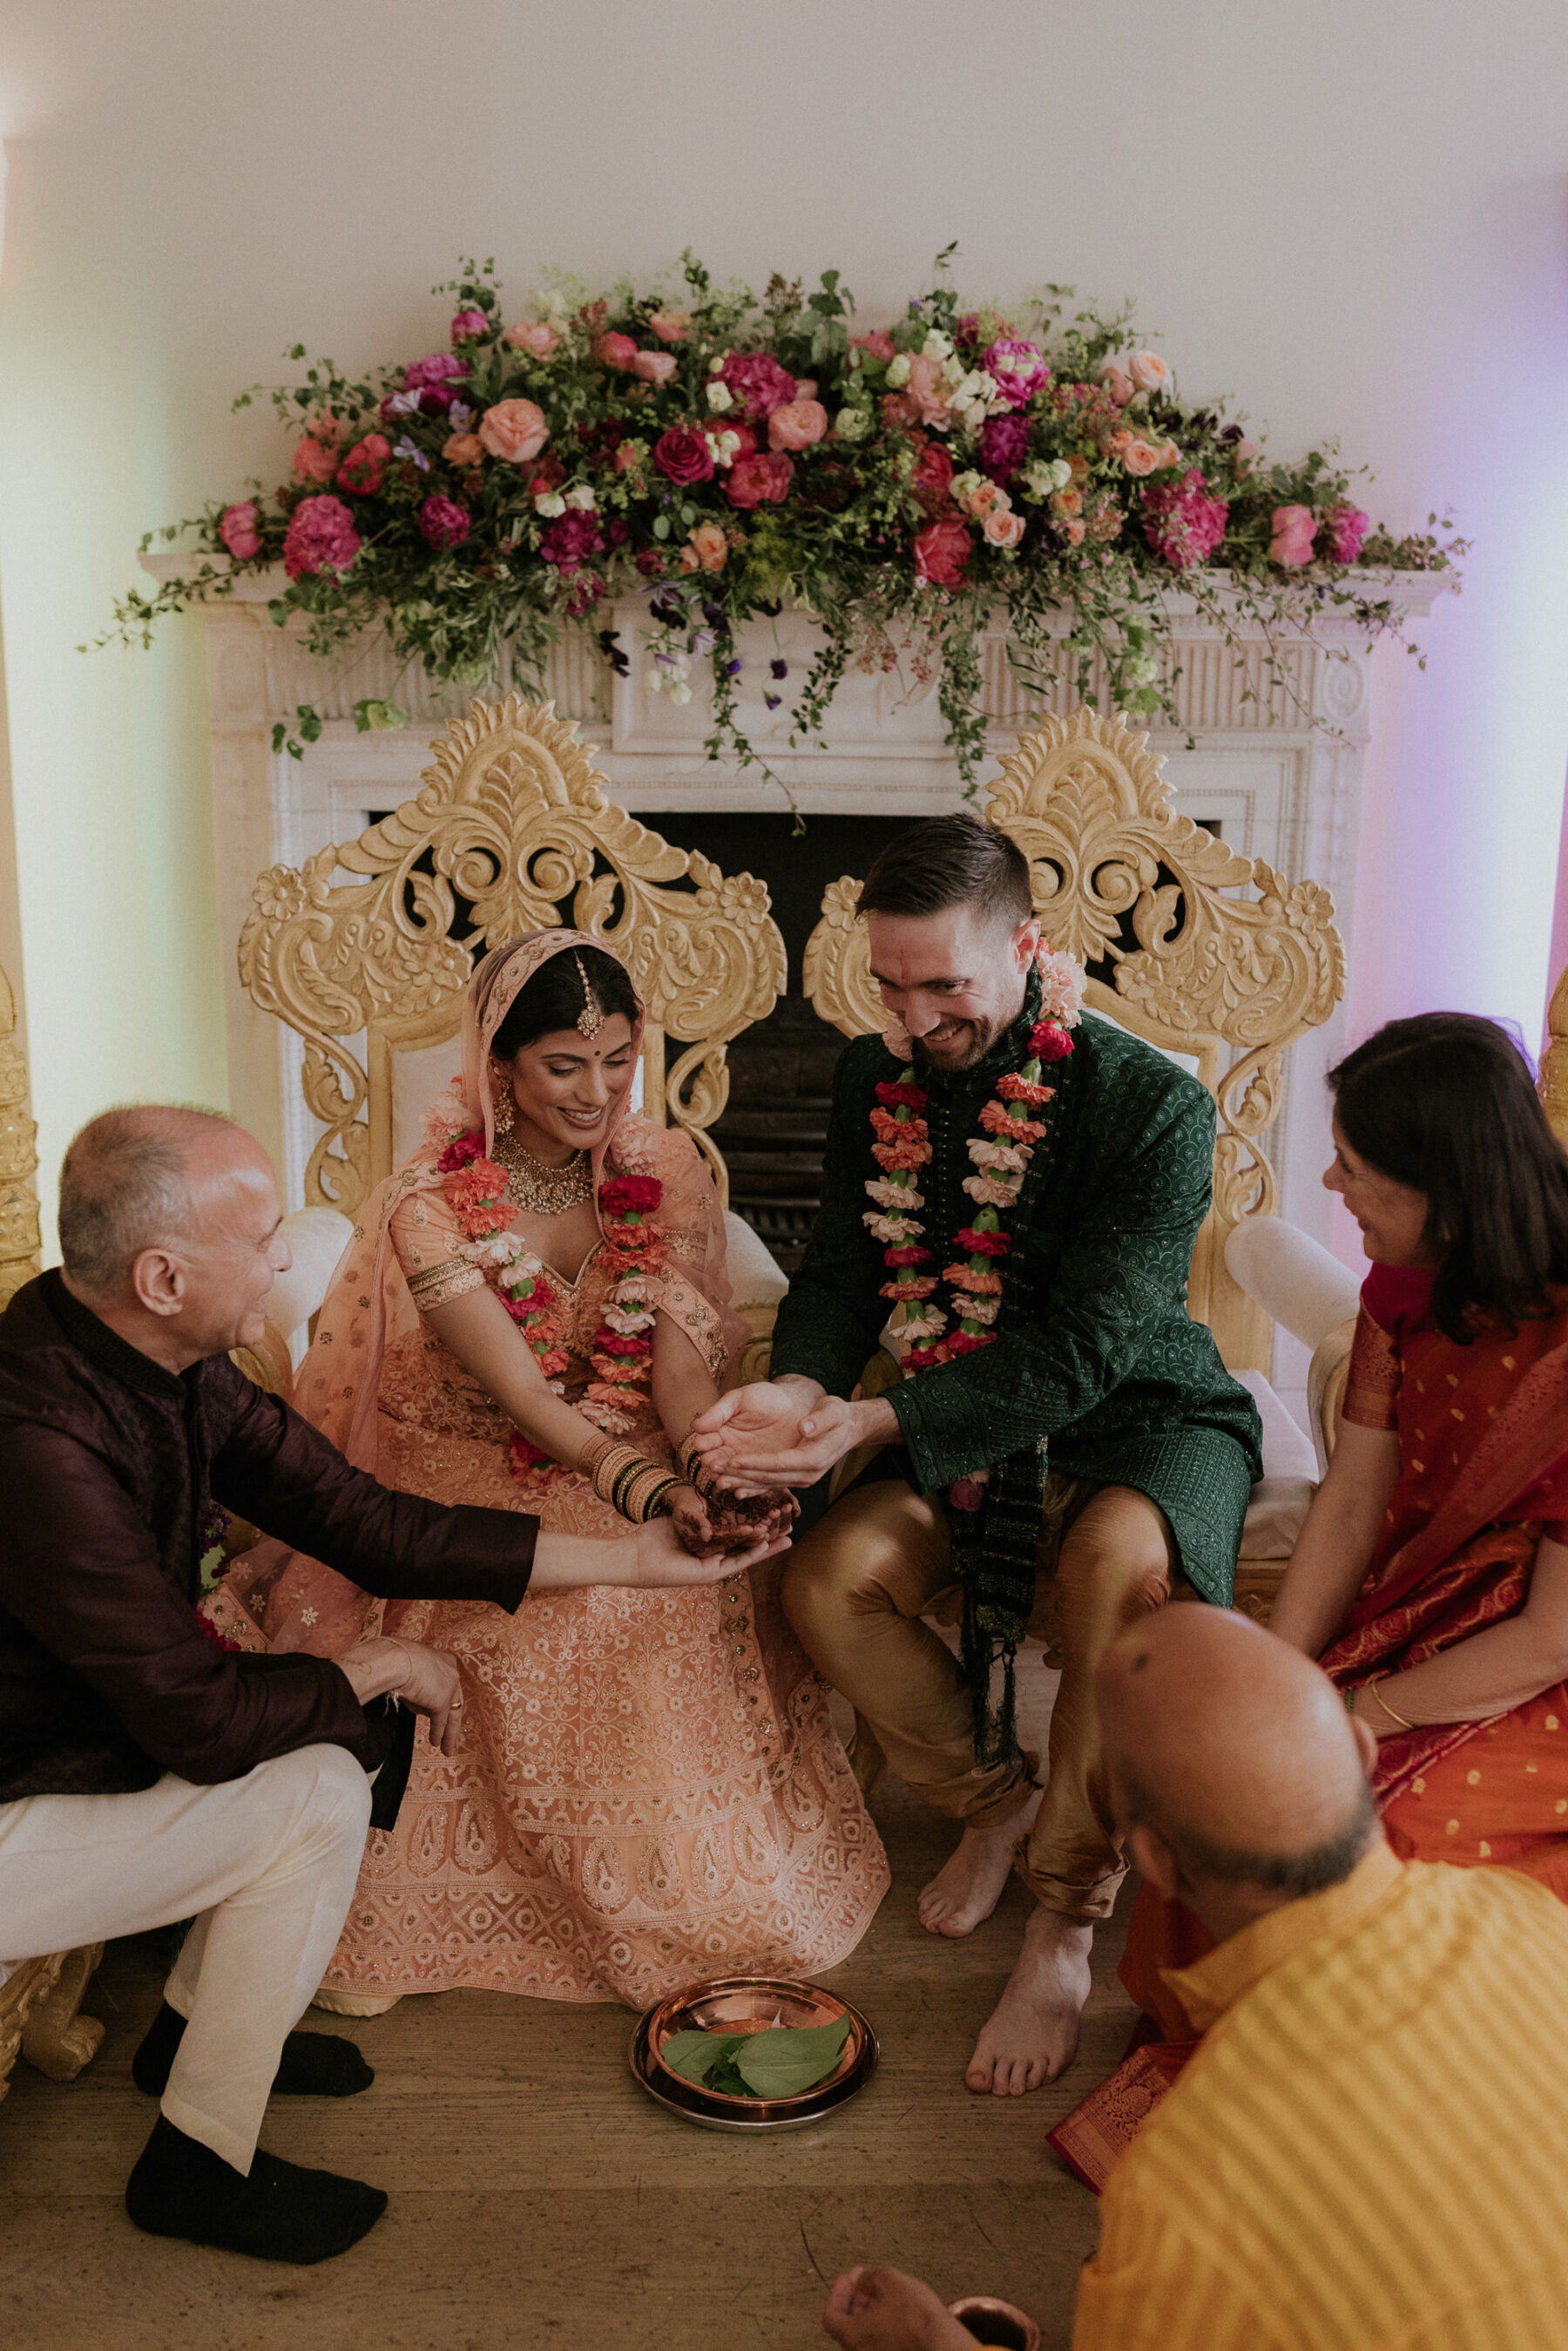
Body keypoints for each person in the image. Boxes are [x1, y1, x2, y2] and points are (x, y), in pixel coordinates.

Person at [0, 1104, 772, 2266]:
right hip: (17, 1801)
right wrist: (376, 1660)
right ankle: (197, 2162)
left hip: (80, 1745)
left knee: (339, 1736)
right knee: (322, 1774)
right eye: (262, 1237)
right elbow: (196, 1720)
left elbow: (365, 1522)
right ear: (163, 1275)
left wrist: (637, 1556)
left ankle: (193, 2039)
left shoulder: (145, 1351)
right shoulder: (40, 1438)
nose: (282, 1261)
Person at [690, 815, 1261, 2092]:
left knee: (1124, 1570)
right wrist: (796, 1389)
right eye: (888, 984)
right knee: (827, 1582)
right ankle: (996, 1806)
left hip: (1140, 1419)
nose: (916, 1016)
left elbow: (1088, 1349)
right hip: (952, 1424)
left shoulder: (1152, 1105)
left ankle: (1067, 1914)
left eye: (945, 983)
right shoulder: (871, 1075)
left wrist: (880, 1419)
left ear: (1026, 949)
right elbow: (841, 1266)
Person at [223, 928, 888, 2011]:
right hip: (468, 1461)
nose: (600, 1091)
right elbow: (527, 1399)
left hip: (629, 1445)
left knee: (677, 1587)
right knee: (565, 1591)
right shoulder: (428, 1204)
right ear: (501, 1068)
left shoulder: (659, 1167)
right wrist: (655, 1494)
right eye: (565, 1065)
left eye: (619, 1058)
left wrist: (710, 1460)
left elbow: (674, 1363)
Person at [820, 1606, 1568, 2351]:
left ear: (1155, 1863)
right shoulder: (1530, 1913)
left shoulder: (1186, 2188)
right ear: (1363, 1748)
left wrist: (934, 2347)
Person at [1119, 1012, 1568, 2036]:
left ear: (1446, 1189)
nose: (1330, 1186)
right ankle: (1251, 2069)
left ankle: (1361, 2122)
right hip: (1431, 1601)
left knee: (1374, 1828)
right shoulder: (1402, 1285)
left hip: (1546, 1653)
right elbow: (1354, 1499)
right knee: (1239, 1777)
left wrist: (1362, 1714)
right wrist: (1279, 1682)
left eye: (1357, 1169)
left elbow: (1552, 1637)